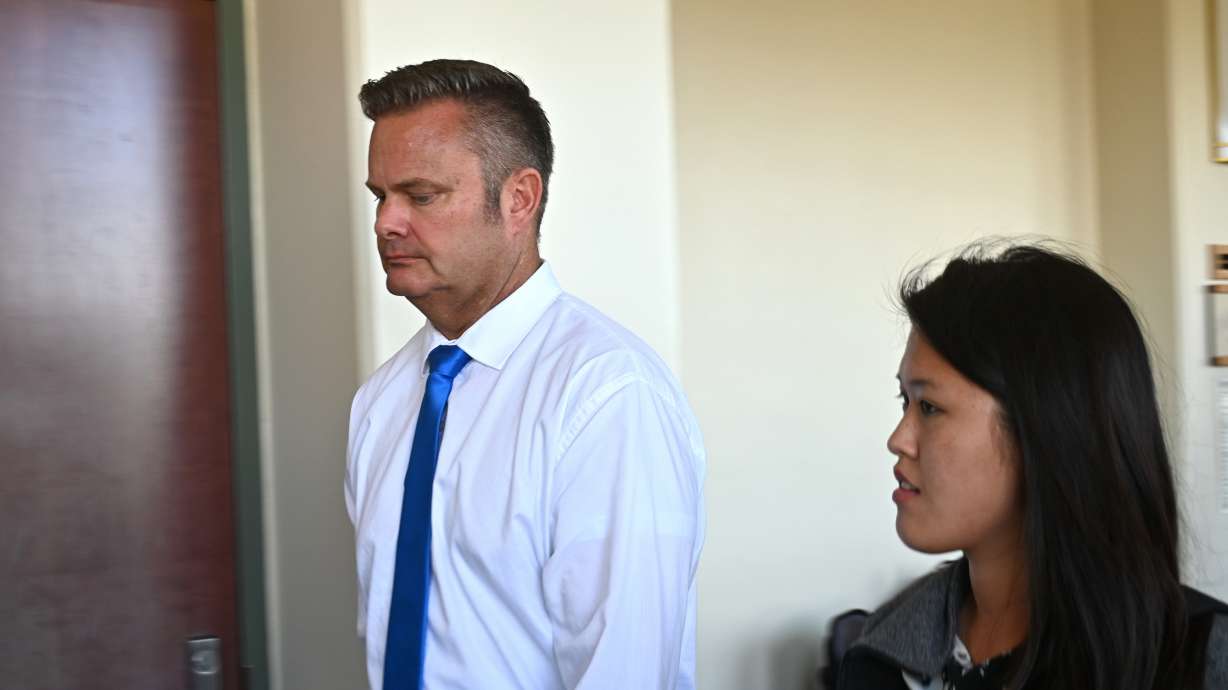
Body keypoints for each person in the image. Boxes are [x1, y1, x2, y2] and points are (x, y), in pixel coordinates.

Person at [344, 59, 706, 690]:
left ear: (519, 198)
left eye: (421, 196)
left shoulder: (606, 396)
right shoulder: (381, 403)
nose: (385, 223)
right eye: (380, 197)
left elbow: (623, 672)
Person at [838, 243, 1228, 690]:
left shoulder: (1198, 661)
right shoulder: (879, 655)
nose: (897, 440)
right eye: (904, 401)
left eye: (928, 406)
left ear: (1046, 430)